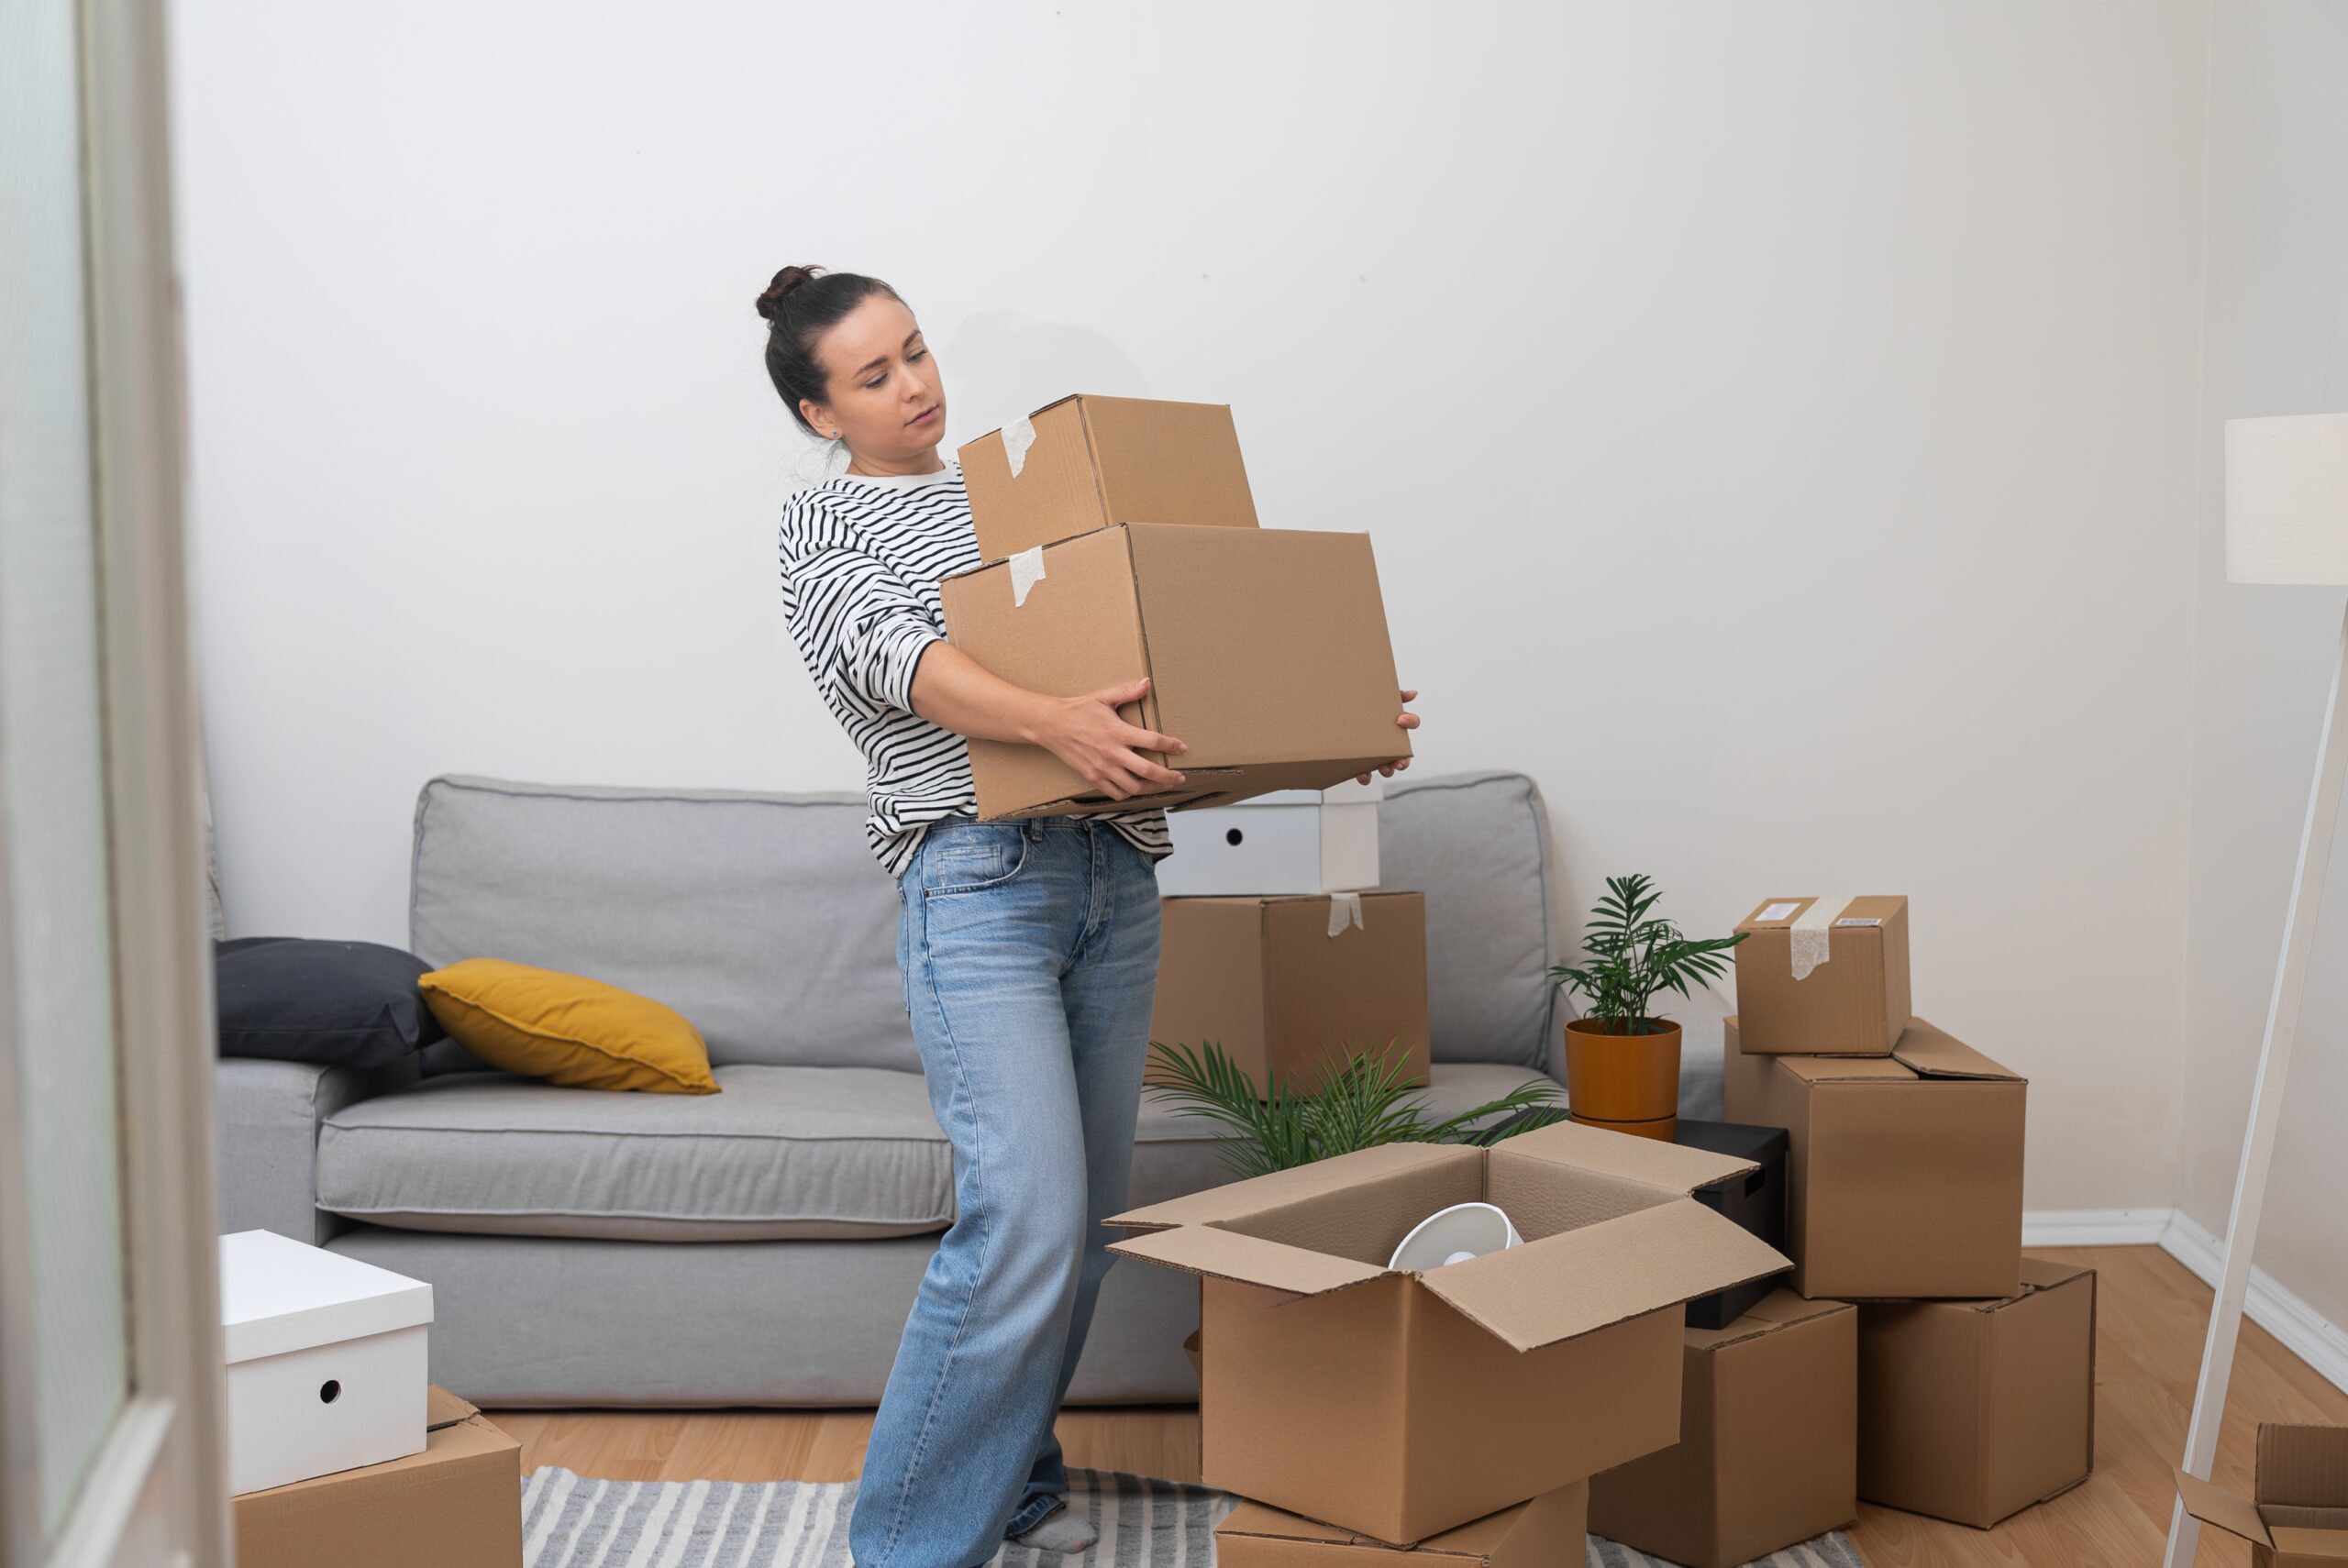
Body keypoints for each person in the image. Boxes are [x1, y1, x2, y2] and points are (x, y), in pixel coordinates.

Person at [756, 263, 1419, 1568]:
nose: (915, 385)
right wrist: (1052, 721)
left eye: (917, 351)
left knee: (1084, 1225)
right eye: (875, 376)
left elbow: (1161, 668)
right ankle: (905, 1550)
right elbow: (898, 657)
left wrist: (1328, 718)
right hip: (979, 884)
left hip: (1113, 876)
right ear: (821, 414)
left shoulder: (1014, 502)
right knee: (1028, 1217)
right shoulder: (822, 524)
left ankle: (1009, 1480)